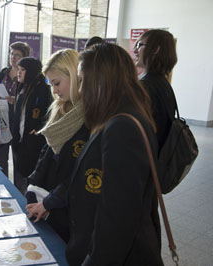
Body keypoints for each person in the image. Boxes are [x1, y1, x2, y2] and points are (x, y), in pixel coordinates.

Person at [66, 43, 164, 265]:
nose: (80, 91)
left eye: (82, 81)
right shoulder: (119, 117)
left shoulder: (122, 127)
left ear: (100, 82)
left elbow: (118, 218)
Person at [24, 49, 90, 242]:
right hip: (51, 198)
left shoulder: (90, 116)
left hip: (70, 207)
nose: (54, 91)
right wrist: (32, 184)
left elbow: (77, 174)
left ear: (75, 77)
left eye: (57, 83)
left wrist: (49, 202)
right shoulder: (59, 108)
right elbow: (47, 152)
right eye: (51, 84)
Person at [11, 57, 52, 194]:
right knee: (19, 174)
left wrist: (40, 127)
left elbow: (50, 114)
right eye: (18, 69)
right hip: (19, 140)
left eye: (22, 70)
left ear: (32, 72)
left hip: (34, 142)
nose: (19, 73)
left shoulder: (44, 90)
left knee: (30, 176)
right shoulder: (21, 88)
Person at [134, 29, 178, 151]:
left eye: (140, 45)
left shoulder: (145, 86)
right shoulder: (162, 83)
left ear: (155, 50)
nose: (135, 50)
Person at [0, 42, 31, 176]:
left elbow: (28, 99)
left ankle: (19, 194)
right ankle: (1, 189)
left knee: (18, 162)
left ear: (24, 58)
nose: (13, 58)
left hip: (16, 122)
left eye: (17, 55)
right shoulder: (3, 73)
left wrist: (15, 100)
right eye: (11, 54)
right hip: (1, 120)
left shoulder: (26, 76)